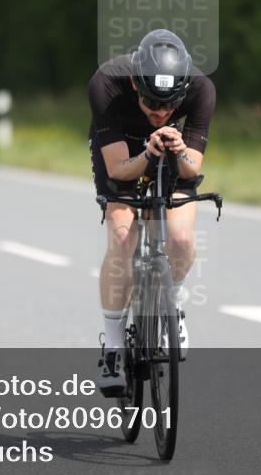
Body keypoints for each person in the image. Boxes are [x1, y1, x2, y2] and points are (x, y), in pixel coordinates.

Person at [88, 28, 216, 395]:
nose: (160, 113)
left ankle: (172, 305)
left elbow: (192, 170)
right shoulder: (106, 84)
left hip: (172, 154)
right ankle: (113, 347)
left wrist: (178, 150)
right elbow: (117, 171)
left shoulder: (201, 89)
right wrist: (146, 154)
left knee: (178, 236)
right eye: (151, 104)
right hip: (123, 150)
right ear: (134, 84)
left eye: (169, 107)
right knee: (123, 236)